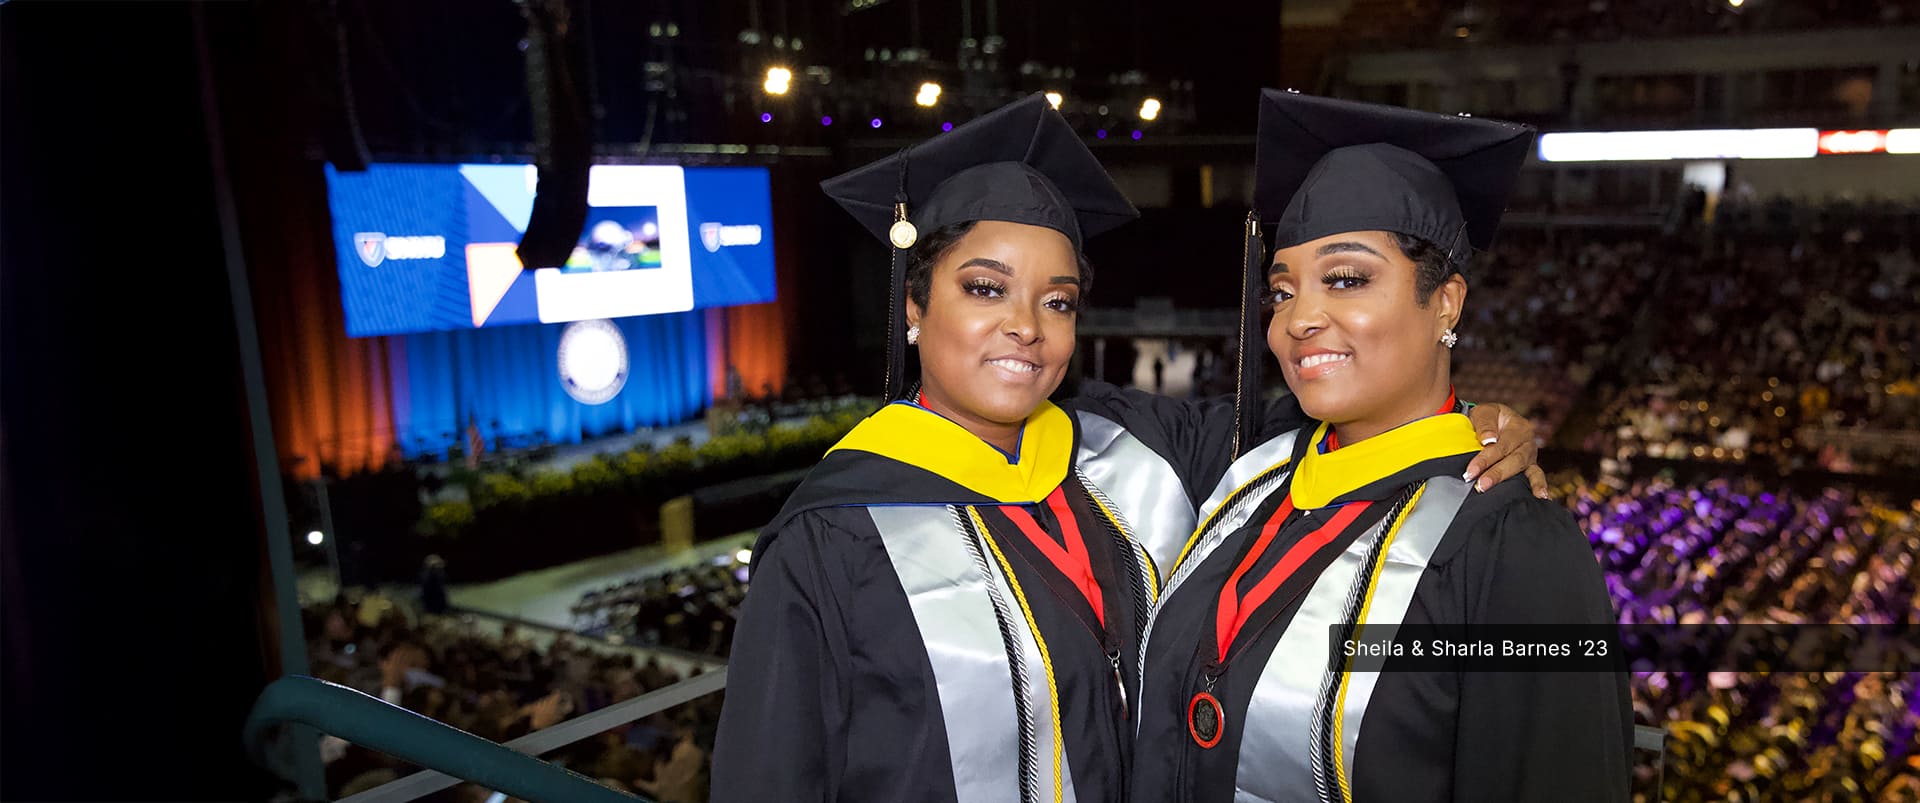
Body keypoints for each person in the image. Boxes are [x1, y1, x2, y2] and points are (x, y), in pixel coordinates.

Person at [711, 94, 1545, 803]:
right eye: (984, 288)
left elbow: (1360, 427)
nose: (1025, 326)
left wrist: (1475, 418)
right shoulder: (832, 537)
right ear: (914, 308)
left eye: (1059, 300)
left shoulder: (1131, 450)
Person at [1129, 91, 1632, 803]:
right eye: (1282, 290)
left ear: (1447, 302)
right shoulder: (1251, 465)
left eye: (1346, 279)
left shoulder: (1510, 546)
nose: (1300, 318)